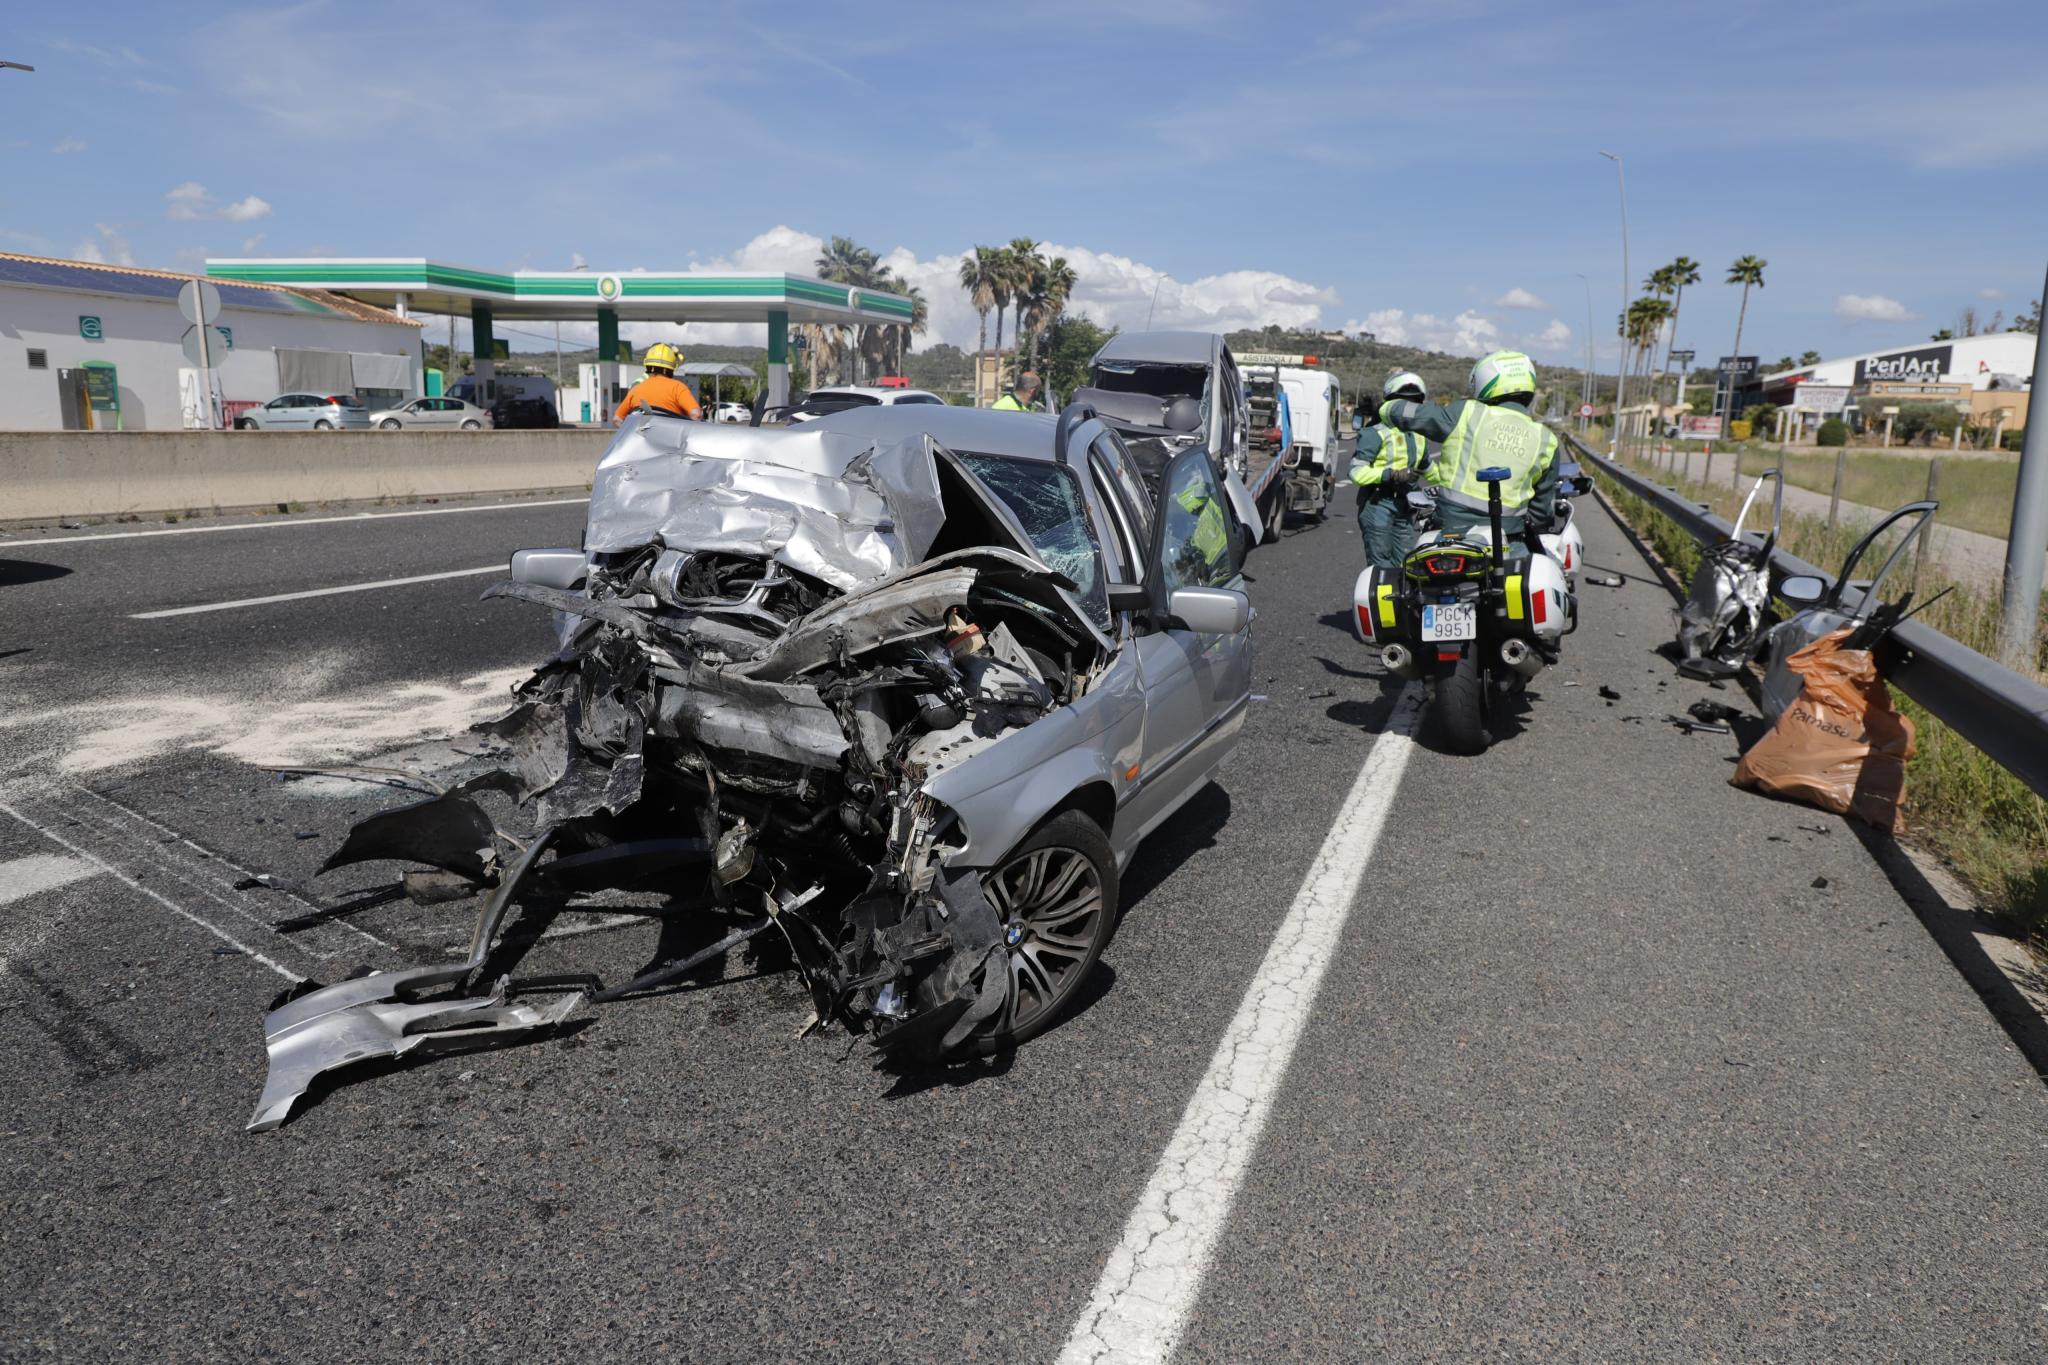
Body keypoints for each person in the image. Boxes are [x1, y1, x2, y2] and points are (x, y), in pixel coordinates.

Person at [1379, 349, 1560, 542]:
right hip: (1509, 537)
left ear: (1484, 381)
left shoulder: (1466, 413)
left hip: (1451, 529)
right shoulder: (1546, 439)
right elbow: (1542, 511)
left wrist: (1386, 407)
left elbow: (1409, 414)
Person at [1348, 370, 1432, 568]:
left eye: (1413, 403)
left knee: (1407, 564)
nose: (1407, 408)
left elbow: (1429, 469)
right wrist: (1391, 475)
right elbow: (1356, 473)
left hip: (1407, 505)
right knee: (1382, 566)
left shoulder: (1418, 434)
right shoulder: (1374, 432)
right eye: (1402, 402)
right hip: (1379, 504)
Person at [615, 342, 702, 422]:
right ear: (672, 367)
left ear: (647, 365)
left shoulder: (635, 389)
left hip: (641, 437)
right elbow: (696, 415)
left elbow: (617, 419)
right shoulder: (678, 388)